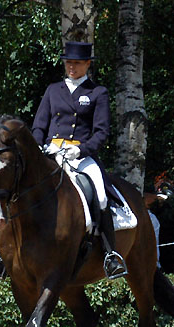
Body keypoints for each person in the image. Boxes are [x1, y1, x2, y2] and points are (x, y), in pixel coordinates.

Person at [32, 41, 127, 279]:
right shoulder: (53, 90)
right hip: (51, 153)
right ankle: (1, 252)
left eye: (76, 63)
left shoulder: (97, 92)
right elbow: (39, 126)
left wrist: (81, 150)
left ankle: (110, 254)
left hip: (81, 155)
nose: (71, 67)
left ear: (87, 64)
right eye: (68, 62)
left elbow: (102, 133)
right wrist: (40, 147)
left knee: (102, 195)